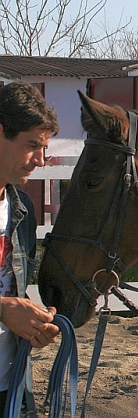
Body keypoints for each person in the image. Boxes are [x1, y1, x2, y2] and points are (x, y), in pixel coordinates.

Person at [0, 82, 61, 411]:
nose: (40, 159)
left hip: (11, 387)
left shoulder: (21, 209)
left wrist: (32, 324)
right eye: (31, 145)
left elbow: (13, 291)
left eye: (44, 147)